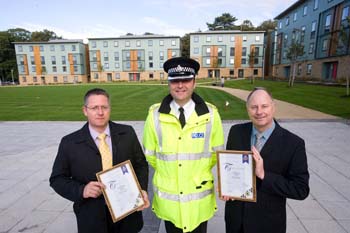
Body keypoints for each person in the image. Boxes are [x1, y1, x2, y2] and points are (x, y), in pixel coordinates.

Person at [49, 88, 149, 233]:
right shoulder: (69, 142)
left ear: (110, 108)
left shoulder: (127, 133)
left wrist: (142, 188)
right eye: (94, 108)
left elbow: (140, 165)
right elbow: (57, 179)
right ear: (85, 110)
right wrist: (82, 190)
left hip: (127, 217)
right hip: (92, 218)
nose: (100, 112)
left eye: (104, 107)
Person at [143, 57, 224, 233]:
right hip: (169, 201)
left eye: (186, 80)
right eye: (175, 81)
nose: (180, 85)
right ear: (168, 83)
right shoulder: (154, 115)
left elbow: (215, 155)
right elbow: (151, 156)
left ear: (194, 82)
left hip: (198, 201)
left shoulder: (211, 115)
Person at [223, 87, 310, 233]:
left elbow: (301, 190)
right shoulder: (236, 132)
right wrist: (228, 186)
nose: (259, 112)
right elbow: (231, 167)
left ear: (273, 106)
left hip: (267, 224)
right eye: (254, 107)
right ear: (247, 109)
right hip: (235, 221)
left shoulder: (293, 143)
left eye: (264, 106)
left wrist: (264, 175)